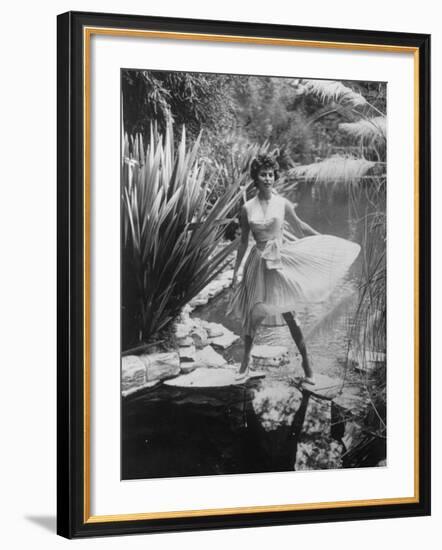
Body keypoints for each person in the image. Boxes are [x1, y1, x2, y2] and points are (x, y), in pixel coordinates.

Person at [228, 154, 360, 384]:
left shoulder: (283, 203)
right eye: (263, 174)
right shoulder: (247, 208)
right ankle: (244, 365)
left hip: (280, 261)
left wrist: (324, 240)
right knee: (253, 315)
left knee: (290, 316)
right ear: (255, 178)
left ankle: (307, 366)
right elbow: (242, 243)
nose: (268, 178)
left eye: (271, 174)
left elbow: (300, 226)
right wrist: (235, 273)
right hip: (257, 263)